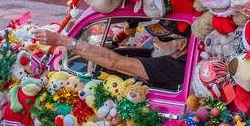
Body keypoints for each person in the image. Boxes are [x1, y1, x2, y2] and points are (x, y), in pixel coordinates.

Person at [33, 19, 189, 92]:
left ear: (181, 45)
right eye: (154, 35)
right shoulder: (172, 58)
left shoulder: (172, 67)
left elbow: (113, 62)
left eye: (161, 38)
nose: (154, 40)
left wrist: (61, 40)